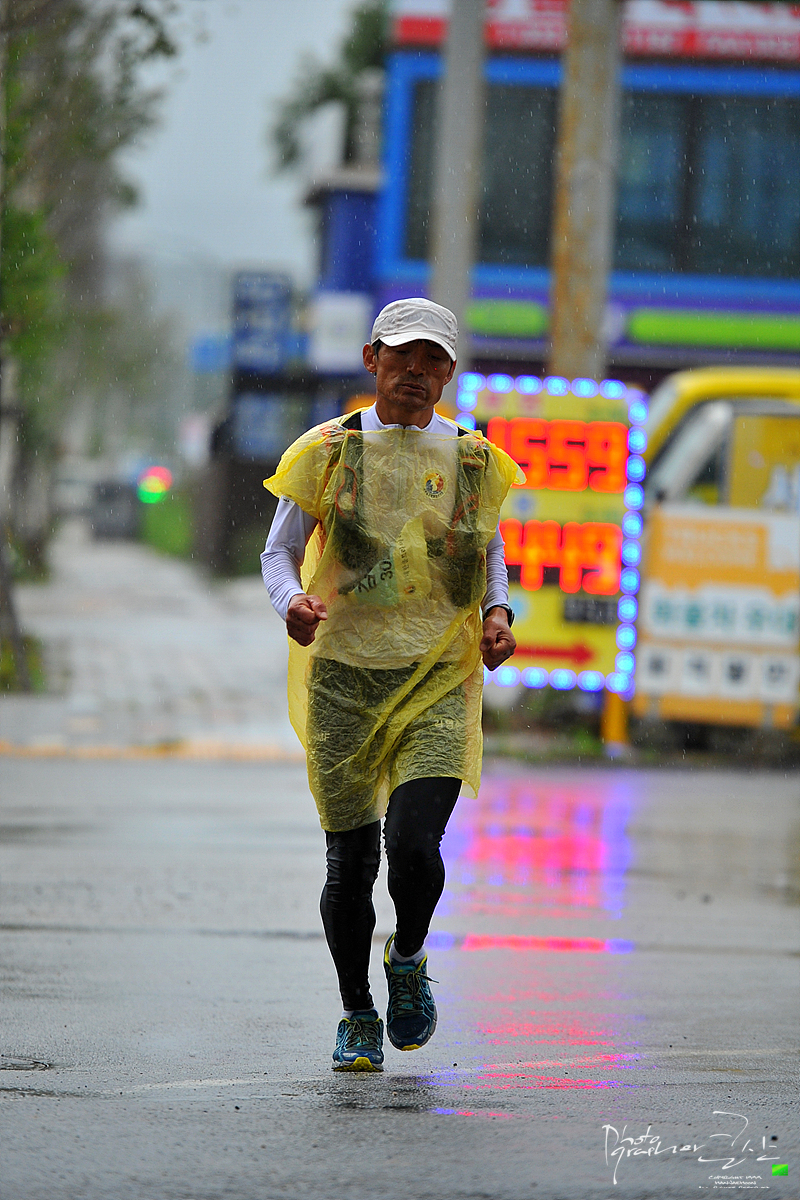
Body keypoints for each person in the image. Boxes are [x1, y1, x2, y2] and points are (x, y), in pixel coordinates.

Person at [261, 298, 520, 1071]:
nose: (416, 371)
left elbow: (489, 549)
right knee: (351, 864)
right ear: (372, 358)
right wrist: (292, 602)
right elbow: (279, 552)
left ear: (449, 371)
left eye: (433, 359)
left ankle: (407, 957)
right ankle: (356, 1012)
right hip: (344, 678)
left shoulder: (473, 459)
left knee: (412, 844)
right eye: (402, 355)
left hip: (439, 675)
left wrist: (498, 613)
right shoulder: (328, 450)